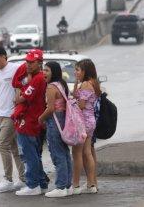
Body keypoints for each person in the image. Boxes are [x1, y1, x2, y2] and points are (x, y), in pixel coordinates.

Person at [0, 47, 26, 193]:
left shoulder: (16, 68)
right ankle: (23, 179)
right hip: (1, 114)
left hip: (12, 114)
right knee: (14, 148)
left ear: (4, 56)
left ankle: (8, 179)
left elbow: (25, 84)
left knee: (1, 144)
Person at [12, 49, 49, 196]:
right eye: (27, 61)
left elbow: (21, 98)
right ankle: (42, 184)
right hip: (31, 120)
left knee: (30, 155)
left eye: (31, 62)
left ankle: (33, 185)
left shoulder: (38, 78)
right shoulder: (34, 77)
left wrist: (19, 96)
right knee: (33, 155)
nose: (28, 64)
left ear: (39, 63)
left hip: (30, 121)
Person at [38, 61, 73, 198]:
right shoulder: (62, 84)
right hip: (64, 120)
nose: (44, 73)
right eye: (43, 70)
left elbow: (51, 108)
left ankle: (60, 186)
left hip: (55, 121)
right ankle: (67, 185)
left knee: (57, 154)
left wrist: (40, 118)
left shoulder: (51, 87)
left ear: (54, 72)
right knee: (64, 153)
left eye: (47, 70)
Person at [71, 59, 101, 194]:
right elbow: (75, 95)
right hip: (90, 121)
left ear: (85, 71)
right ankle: (91, 184)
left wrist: (71, 105)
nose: (75, 72)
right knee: (87, 152)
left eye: (78, 70)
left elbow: (81, 105)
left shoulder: (85, 85)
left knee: (77, 153)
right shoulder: (92, 83)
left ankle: (75, 185)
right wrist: (77, 83)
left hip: (83, 122)